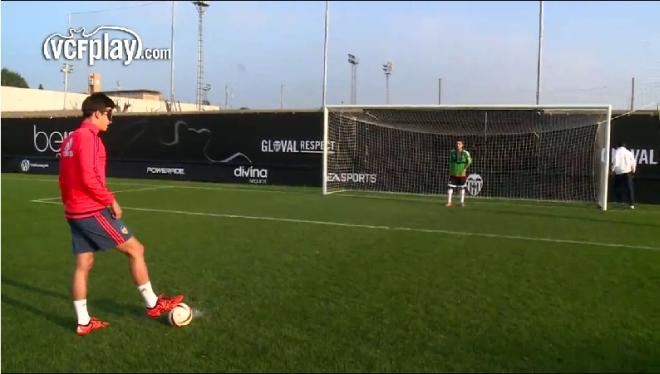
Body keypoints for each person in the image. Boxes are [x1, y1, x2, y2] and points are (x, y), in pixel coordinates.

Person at [59, 93, 184, 336]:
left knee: (83, 264)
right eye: (109, 114)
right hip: (90, 209)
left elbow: (63, 178)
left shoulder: (70, 139)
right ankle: (153, 304)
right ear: (97, 113)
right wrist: (110, 200)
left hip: (74, 211)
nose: (111, 120)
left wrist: (70, 204)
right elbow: (88, 178)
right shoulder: (90, 139)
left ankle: (83, 322)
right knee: (136, 250)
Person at [611, 141, 637, 209]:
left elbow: (615, 161)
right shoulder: (629, 152)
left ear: (618, 146)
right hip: (628, 172)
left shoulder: (617, 152)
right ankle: (631, 204)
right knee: (629, 189)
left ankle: (617, 201)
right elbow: (633, 162)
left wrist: (612, 170)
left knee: (617, 187)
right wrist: (633, 171)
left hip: (619, 173)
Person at [447, 139, 472, 207]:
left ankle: (461, 202)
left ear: (462, 145)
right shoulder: (452, 152)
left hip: (462, 173)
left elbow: (469, 162)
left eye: (459, 144)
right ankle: (449, 202)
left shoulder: (466, 153)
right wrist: (451, 169)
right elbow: (450, 162)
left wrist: (465, 168)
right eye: (457, 144)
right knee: (450, 187)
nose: (458, 145)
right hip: (453, 173)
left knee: (462, 188)